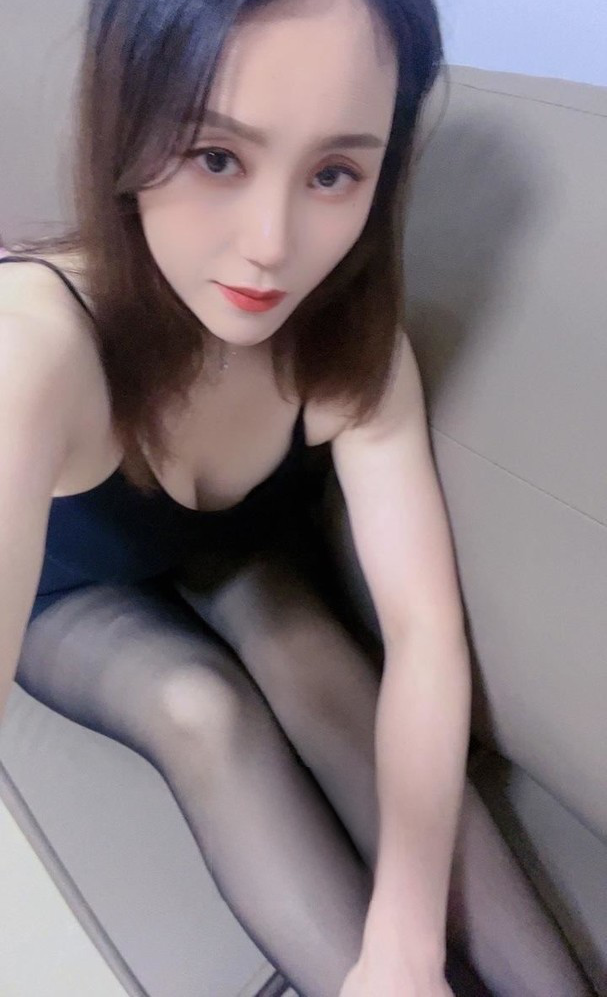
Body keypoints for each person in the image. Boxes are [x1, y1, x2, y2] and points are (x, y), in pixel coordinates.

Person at [0, 1, 595, 995]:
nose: (272, 245)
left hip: (234, 553)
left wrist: (404, 944)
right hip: (70, 591)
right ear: (125, 125)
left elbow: (422, 635)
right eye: (216, 157)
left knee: (319, 669)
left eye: (331, 174)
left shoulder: (347, 345)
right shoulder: (30, 345)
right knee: (201, 709)